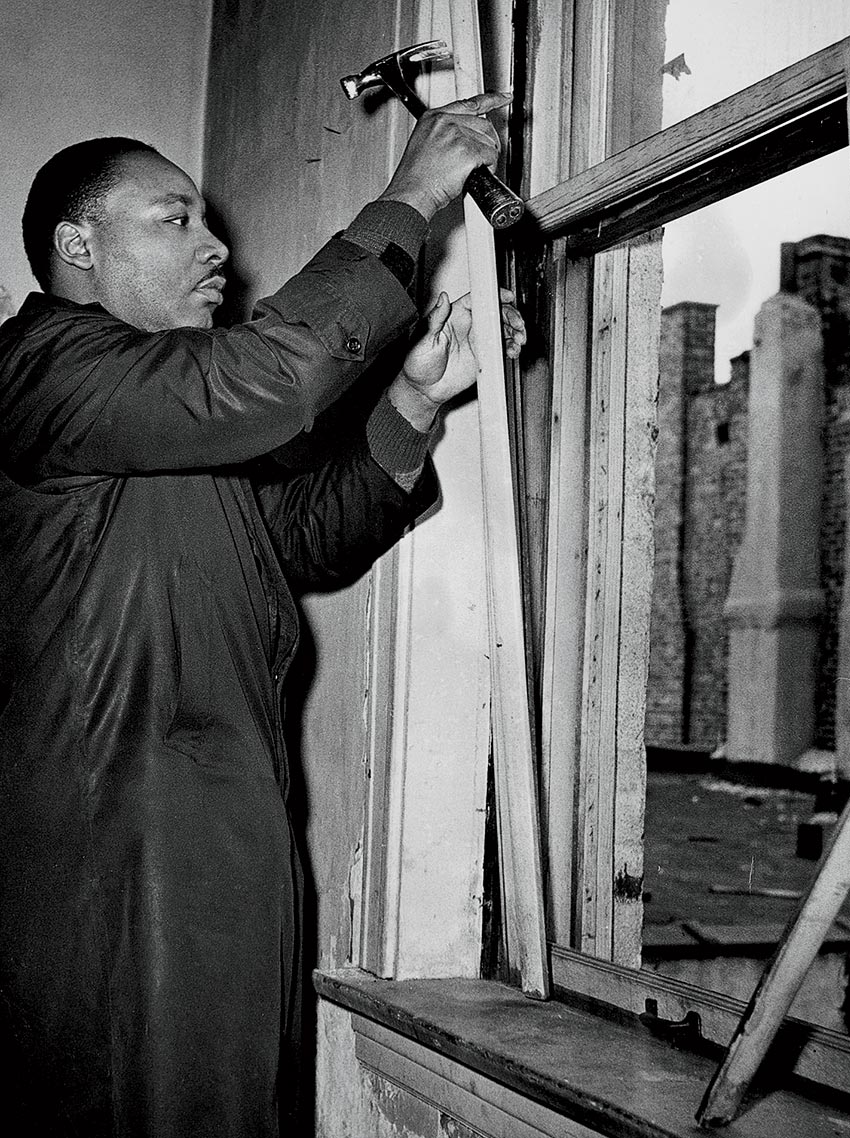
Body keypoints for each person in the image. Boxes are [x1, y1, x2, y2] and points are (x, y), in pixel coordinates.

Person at [0, 95, 525, 1137]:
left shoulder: (153, 414)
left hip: (201, 842)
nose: (216, 248)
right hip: (119, 852)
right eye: (175, 219)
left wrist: (416, 398)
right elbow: (275, 376)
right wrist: (413, 195)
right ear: (78, 244)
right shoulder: (45, 368)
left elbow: (305, 540)